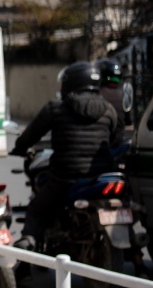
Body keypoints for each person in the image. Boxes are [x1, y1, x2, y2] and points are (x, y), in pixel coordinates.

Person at [11, 61, 120, 251]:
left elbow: (30, 135)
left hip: (66, 177)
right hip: (99, 176)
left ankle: (28, 245)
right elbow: (114, 140)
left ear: (71, 83)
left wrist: (20, 147)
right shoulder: (109, 110)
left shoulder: (56, 108)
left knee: (36, 210)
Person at [97, 58, 130, 137]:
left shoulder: (97, 93)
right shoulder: (124, 93)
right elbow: (128, 121)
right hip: (118, 139)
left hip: (102, 138)